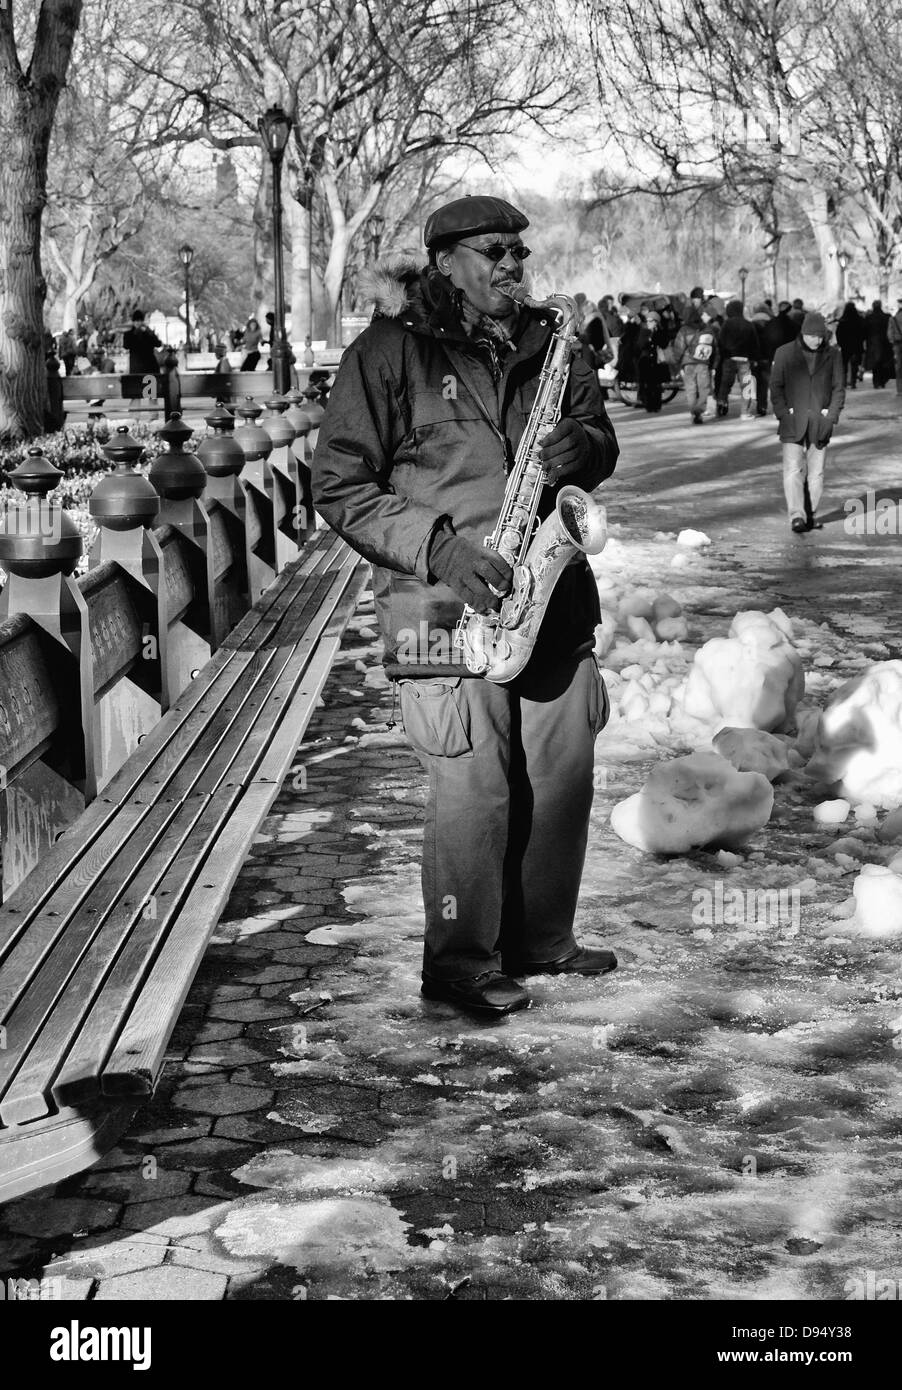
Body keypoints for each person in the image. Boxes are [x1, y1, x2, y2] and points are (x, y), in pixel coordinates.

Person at [311, 194, 620, 1018]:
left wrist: (581, 447)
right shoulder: (385, 354)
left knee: (560, 778)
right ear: (445, 261)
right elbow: (339, 486)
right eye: (495, 251)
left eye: (520, 250)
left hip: (548, 599)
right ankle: (460, 964)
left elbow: (601, 439)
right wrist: (441, 548)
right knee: (474, 792)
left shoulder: (554, 339)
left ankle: (543, 941)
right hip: (442, 608)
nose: (515, 265)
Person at [770, 311, 845, 534]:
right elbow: (776, 387)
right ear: (803, 333)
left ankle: (809, 514)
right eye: (813, 336)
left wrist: (830, 417)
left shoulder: (833, 355)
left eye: (821, 336)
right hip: (793, 421)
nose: (817, 340)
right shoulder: (784, 354)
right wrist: (784, 414)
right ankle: (797, 516)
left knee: (817, 473)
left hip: (820, 422)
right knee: (793, 470)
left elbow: (838, 388)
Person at [672, 303, 718, 424]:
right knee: (704, 388)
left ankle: (694, 411)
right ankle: (699, 409)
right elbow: (715, 348)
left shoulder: (684, 329)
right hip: (704, 363)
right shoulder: (707, 329)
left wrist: (678, 364)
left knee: (691, 389)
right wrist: (713, 365)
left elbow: (678, 348)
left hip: (688, 363)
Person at [715, 299, 758, 419]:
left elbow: (721, 342)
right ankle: (745, 412)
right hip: (745, 359)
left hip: (729, 358)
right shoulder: (748, 324)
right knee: (746, 386)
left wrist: (724, 355)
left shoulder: (726, 324)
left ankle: (722, 403)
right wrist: (754, 358)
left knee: (725, 383)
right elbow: (754, 343)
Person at [635, 307, 668, 412]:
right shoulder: (644, 332)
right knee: (647, 385)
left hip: (657, 361)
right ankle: (649, 405)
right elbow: (640, 346)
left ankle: (657, 405)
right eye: (647, 321)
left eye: (651, 321)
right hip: (646, 361)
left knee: (657, 385)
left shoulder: (661, 332)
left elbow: (664, 343)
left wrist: (655, 336)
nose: (648, 323)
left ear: (656, 322)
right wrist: (648, 338)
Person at [835, 301, 866, 389]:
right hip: (856, 345)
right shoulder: (859, 320)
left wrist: (840, 343)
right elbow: (864, 332)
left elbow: (838, 333)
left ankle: (844, 382)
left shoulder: (843, 321)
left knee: (844, 364)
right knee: (855, 364)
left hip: (845, 346)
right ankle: (853, 382)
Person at [123, 310, 162, 375]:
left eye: (140, 321)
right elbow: (126, 346)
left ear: (142, 321)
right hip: (136, 368)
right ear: (133, 322)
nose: (138, 323)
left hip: (150, 367)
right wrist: (134, 334)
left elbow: (158, 344)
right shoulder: (128, 334)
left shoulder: (148, 333)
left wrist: (148, 332)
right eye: (136, 321)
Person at [864, 299, 893, 387]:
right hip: (885, 342)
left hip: (872, 342)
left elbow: (865, 331)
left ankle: (876, 381)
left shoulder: (869, 318)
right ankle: (882, 380)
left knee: (875, 363)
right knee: (883, 362)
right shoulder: (887, 317)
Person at [887, 297, 902, 394]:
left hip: (897, 344)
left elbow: (889, 333)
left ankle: (900, 389)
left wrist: (892, 341)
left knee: (899, 366)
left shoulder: (893, 318)